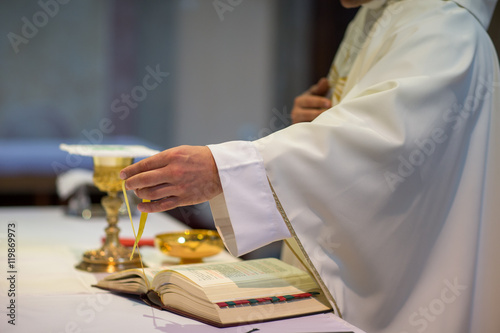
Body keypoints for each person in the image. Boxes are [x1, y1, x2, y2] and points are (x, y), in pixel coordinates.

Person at [120, 0, 500, 332]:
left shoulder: (446, 27)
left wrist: (225, 169)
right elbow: (353, 132)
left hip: (415, 290)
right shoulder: (379, 17)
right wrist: (314, 121)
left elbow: (383, 148)